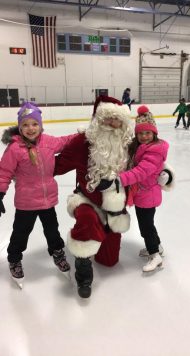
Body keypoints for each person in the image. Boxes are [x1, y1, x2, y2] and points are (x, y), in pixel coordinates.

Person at [54, 95, 134, 298]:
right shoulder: (82, 143)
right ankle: (84, 276)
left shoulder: (126, 143)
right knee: (88, 224)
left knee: (109, 260)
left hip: (114, 207)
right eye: (108, 118)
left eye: (117, 120)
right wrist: (25, 167)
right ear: (98, 120)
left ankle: (103, 235)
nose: (113, 124)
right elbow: (57, 165)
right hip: (87, 200)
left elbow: (148, 163)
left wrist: (165, 174)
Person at [0, 102, 73, 288]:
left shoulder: (48, 142)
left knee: (52, 231)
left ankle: (58, 254)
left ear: (40, 125)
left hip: (48, 201)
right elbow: (4, 172)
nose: (30, 128)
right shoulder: (15, 148)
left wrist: (84, 135)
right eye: (25, 125)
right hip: (26, 203)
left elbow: (66, 141)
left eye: (34, 124)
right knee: (20, 234)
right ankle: (14, 259)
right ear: (20, 127)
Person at [97, 105, 171, 273]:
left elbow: (141, 171)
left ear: (154, 133)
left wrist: (118, 180)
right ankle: (157, 247)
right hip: (143, 194)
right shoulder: (140, 146)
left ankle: (155, 255)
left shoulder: (154, 150)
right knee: (148, 224)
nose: (144, 136)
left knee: (146, 227)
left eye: (148, 133)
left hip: (148, 194)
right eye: (140, 133)